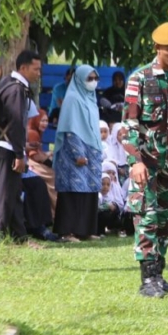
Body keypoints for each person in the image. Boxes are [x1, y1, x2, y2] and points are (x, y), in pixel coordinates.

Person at [121, 21, 168, 298]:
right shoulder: (139, 79)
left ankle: (159, 275)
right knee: (148, 217)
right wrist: (135, 162)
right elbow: (129, 124)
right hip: (147, 161)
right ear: (157, 48)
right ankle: (147, 279)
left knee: (166, 220)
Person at [0, 50, 42, 242]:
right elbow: (15, 123)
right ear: (23, 68)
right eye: (35, 69)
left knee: (13, 193)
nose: (38, 73)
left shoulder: (11, 85)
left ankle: (19, 238)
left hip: (7, 146)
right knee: (6, 194)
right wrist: (19, 154)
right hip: (7, 148)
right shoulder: (16, 89)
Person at [53, 65, 103, 243]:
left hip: (92, 151)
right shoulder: (73, 98)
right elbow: (70, 129)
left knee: (89, 190)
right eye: (89, 79)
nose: (93, 82)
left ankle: (85, 230)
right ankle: (66, 232)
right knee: (72, 191)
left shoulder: (91, 98)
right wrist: (77, 154)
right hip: (75, 152)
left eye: (95, 78)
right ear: (79, 79)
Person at [26, 109, 57, 215]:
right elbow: (35, 156)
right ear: (36, 120)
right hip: (31, 165)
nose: (45, 124)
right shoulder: (33, 133)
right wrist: (48, 154)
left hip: (32, 163)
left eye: (46, 121)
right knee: (54, 177)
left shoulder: (35, 132)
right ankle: (56, 213)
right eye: (42, 121)